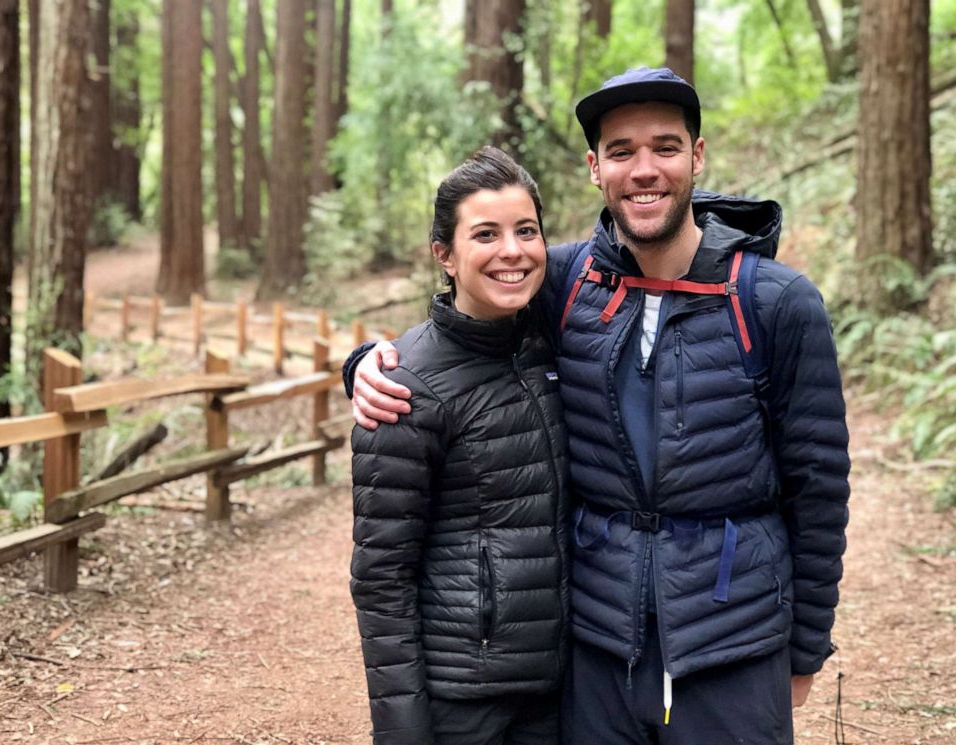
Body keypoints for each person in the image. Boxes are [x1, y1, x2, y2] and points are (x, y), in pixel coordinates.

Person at [347, 67, 850, 744]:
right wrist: (364, 363)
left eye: (666, 147)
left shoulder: (777, 303)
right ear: (594, 168)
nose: (644, 170)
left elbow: (819, 484)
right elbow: (468, 318)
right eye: (621, 152)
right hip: (597, 649)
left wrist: (807, 642)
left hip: (732, 643)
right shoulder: (564, 279)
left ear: (697, 156)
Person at [349, 146, 570, 745]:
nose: (512, 251)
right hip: (464, 699)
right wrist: (404, 731)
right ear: (444, 255)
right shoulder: (404, 389)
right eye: (486, 234)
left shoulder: (551, 341)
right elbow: (381, 577)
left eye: (526, 231)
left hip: (559, 688)